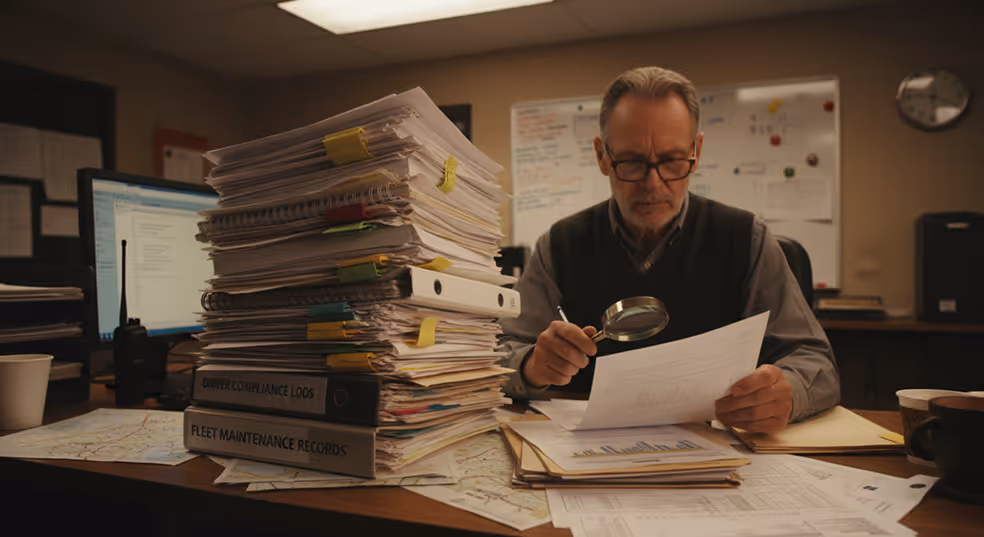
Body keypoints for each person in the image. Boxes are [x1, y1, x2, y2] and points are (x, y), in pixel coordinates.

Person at [501, 66, 839, 433]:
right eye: (631, 162)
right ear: (602, 156)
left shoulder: (747, 239)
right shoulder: (560, 245)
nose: (653, 183)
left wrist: (788, 393)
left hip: (721, 454)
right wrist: (531, 366)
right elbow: (497, 352)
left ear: (697, 152)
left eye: (672, 161)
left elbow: (815, 361)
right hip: (585, 457)